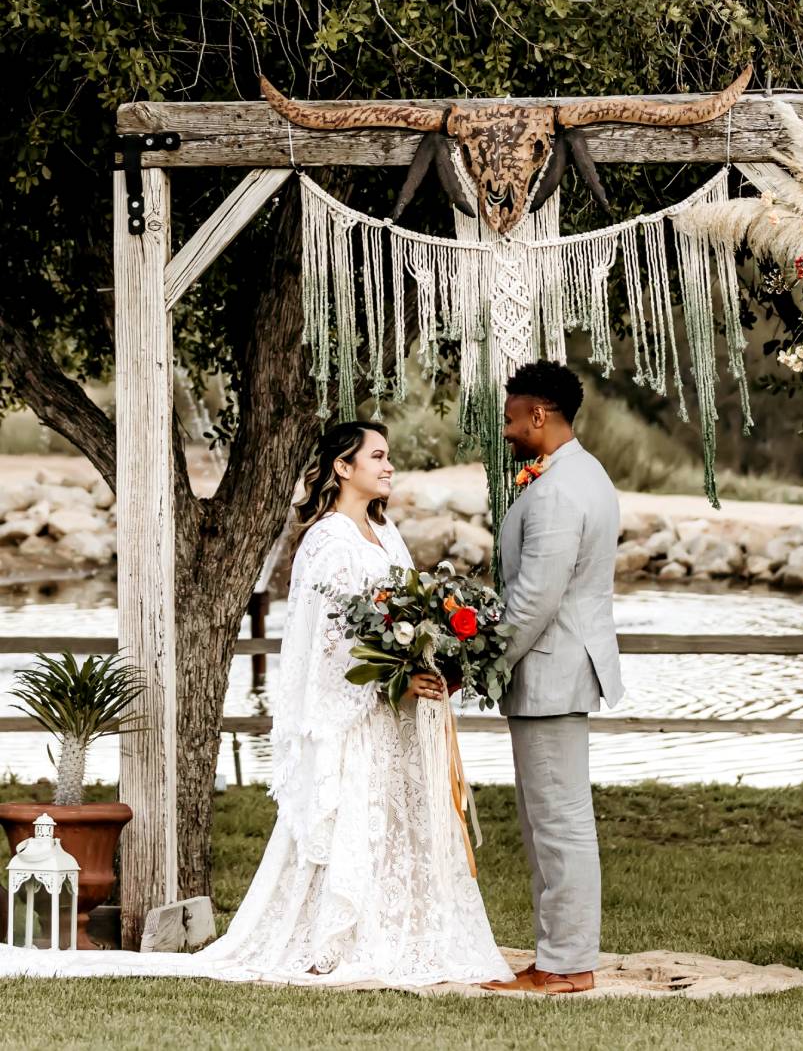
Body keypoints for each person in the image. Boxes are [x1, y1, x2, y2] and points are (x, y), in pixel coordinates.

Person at [0, 422, 511, 988]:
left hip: (396, 718)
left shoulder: (385, 534)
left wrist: (432, 662)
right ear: (343, 467)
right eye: (379, 456)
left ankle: (403, 931)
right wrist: (389, 677)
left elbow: (406, 615)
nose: (390, 467)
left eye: (390, 457)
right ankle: (333, 939)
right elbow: (326, 642)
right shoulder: (327, 539)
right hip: (353, 714)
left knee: (393, 826)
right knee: (347, 826)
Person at [483, 362, 622, 996]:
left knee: (559, 823)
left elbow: (536, 599)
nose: (507, 430)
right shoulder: (580, 474)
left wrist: (486, 661)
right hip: (561, 669)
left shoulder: (560, 491)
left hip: (552, 670)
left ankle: (565, 964)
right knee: (554, 820)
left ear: (541, 414)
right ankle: (559, 955)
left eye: (512, 418)